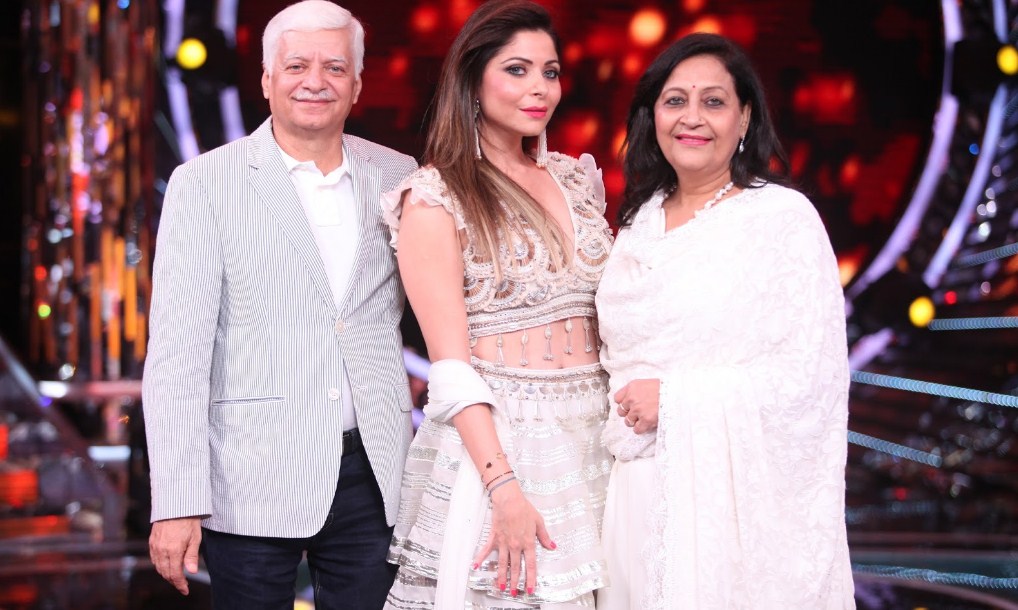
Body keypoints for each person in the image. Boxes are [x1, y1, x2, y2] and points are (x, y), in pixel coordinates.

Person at [142, 1, 417, 608]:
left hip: (375, 475)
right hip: (248, 475)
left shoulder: (401, 175)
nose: (315, 81)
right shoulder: (205, 183)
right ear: (267, 80)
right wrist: (177, 501)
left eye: (334, 67)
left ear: (357, 84)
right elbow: (176, 354)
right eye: (296, 65)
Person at [594, 33, 856, 609]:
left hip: (730, 514)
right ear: (651, 116)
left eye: (713, 102)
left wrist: (679, 399)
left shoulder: (780, 220)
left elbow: (810, 381)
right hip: (632, 502)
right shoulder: (636, 223)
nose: (692, 118)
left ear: (745, 120)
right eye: (674, 101)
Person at [380, 1, 614, 608]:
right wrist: (503, 488)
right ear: (472, 78)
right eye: (517, 70)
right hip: (503, 445)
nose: (539, 88)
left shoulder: (575, 180)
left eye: (551, 72)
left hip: (599, 438)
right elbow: (451, 368)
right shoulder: (433, 198)